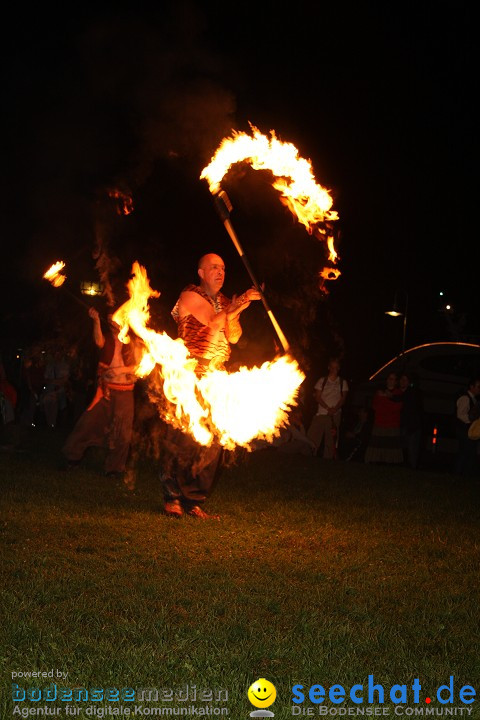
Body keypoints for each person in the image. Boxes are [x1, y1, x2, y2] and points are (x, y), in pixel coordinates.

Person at [160, 252, 261, 519]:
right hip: (190, 375)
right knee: (180, 437)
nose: (220, 271)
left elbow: (235, 336)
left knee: (212, 441)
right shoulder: (190, 295)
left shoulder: (225, 301)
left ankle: (193, 500)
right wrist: (241, 303)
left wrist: (238, 307)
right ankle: (172, 497)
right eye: (214, 267)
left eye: (224, 268)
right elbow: (214, 322)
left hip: (216, 377)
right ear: (201, 272)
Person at [61, 306, 141, 477]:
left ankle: (114, 468)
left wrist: (121, 371)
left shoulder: (135, 341)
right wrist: (96, 321)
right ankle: (72, 457)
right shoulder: (108, 339)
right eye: (110, 320)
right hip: (105, 390)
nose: (113, 323)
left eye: (116, 319)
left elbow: (140, 367)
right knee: (88, 422)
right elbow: (98, 342)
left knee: (122, 432)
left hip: (125, 393)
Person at [307, 358, 348, 459]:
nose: (334, 369)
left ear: (339, 368)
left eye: (336, 367)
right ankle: (309, 457)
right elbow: (317, 396)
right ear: (329, 367)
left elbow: (343, 398)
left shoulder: (343, 382)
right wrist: (327, 408)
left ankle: (328, 460)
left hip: (335, 415)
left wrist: (335, 409)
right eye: (332, 367)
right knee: (313, 438)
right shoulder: (322, 380)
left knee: (331, 440)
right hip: (321, 414)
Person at [364, 372, 404, 464]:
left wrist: (386, 399)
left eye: (393, 379)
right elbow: (375, 406)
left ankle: (391, 463)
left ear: (396, 382)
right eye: (389, 378)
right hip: (380, 423)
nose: (390, 380)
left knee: (391, 446)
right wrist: (386, 400)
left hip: (392, 425)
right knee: (377, 445)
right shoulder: (379, 392)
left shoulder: (398, 393)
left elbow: (397, 407)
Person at [454, 377, 480, 477]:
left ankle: (464, 474)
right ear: (471, 387)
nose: (479, 389)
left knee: (468, 453)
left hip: (468, 430)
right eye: (478, 387)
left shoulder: (473, 399)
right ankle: (459, 474)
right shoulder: (465, 398)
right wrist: (472, 421)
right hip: (464, 430)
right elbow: (460, 415)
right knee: (464, 452)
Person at [399, 372, 424, 469]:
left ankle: (412, 468)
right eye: (401, 379)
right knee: (402, 448)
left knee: (412, 449)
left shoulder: (412, 393)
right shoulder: (400, 392)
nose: (402, 382)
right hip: (402, 425)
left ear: (409, 382)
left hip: (412, 426)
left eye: (405, 380)